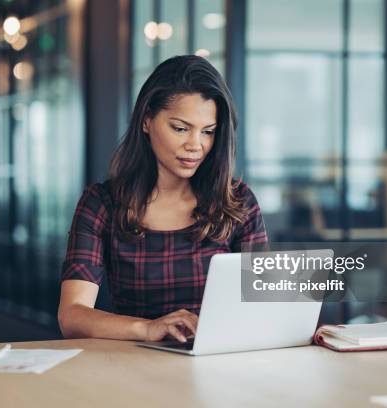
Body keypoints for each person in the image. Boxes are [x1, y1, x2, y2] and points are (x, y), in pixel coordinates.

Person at [58, 55, 268, 343]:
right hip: (136, 366)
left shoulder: (238, 201)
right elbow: (72, 315)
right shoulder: (102, 203)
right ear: (146, 121)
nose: (195, 145)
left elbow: (265, 306)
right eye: (180, 128)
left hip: (219, 366)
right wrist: (147, 329)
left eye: (208, 132)